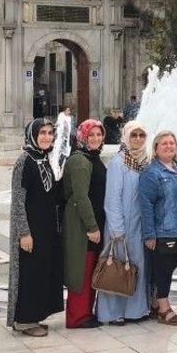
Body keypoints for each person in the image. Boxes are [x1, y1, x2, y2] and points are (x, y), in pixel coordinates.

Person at [7, 119, 64, 336]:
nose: (47, 137)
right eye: (42, 133)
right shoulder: (25, 161)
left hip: (45, 230)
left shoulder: (44, 159)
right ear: (33, 135)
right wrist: (24, 233)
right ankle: (23, 320)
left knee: (40, 273)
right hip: (30, 230)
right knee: (28, 273)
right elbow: (18, 201)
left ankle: (35, 317)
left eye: (50, 133)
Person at [97, 121, 153, 325]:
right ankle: (112, 313)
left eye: (141, 135)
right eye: (134, 135)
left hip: (140, 224)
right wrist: (117, 228)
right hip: (121, 225)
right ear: (126, 137)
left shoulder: (146, 162)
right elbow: (112, 198)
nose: (137, 139)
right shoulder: (118, 163)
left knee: (136, 266)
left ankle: (135, 310)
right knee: (117, 267)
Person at [141, 130, 177, 326]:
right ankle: (164, 309)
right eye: (164, 143)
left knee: (169, 267)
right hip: (164, 230)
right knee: (163, 270)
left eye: (172, 143)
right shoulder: (152, 172)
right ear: (156, 148)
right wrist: (149, 234)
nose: (168, 146)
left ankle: (156, 303)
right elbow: (146, 205)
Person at [62, 119, 107, 329]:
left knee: (89, 267)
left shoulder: (92, 158)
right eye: (92, 135)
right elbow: (80, 196)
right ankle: (77, 316)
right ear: (83, 137)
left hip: (92, 223)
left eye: (99, 134)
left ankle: (85, 312)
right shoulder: (80, 161)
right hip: (82, 226)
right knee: (82, 268)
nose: (96, 138)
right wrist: (92, 227)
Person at [52, 106, 74, 179]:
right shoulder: (61, 116)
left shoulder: (71, 118)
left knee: (67, 153)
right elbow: (59, 125)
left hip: (68, 139)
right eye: (67, 110)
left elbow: (72, 128)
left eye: (69, 110)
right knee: (59, 153)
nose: (68, 112)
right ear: (64, 111)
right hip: (61, 139)